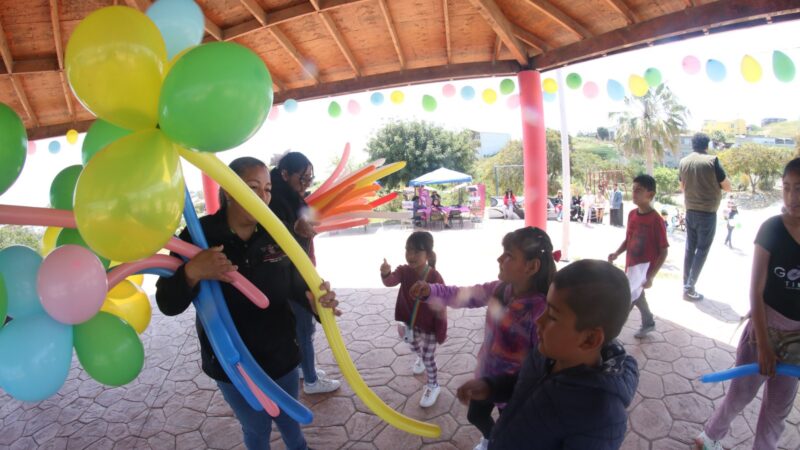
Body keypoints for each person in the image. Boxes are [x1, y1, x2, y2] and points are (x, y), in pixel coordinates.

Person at [155, 157, 341, 450]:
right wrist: (192, 272)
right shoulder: (199, 235)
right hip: (232, 363)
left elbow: (295, 284)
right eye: (252, 187)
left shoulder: (276, 231)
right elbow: (167, 302)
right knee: (256, 428)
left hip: (281, 353)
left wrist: (316, 303)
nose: (263, 197)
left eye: (267, 189)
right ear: (229, 190)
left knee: (291, 421)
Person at [456, 259, 638, 449]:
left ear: (590, 339)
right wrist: (490, 388)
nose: (538, 321)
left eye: (552, 316)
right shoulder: (545, 354)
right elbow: (523, 383)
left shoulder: (600, 416)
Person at [410, 227, 557, 450]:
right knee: (476, 416)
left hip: (514, 391)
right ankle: (490, 438)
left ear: (532, 266)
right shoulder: (499, 290)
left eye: (509, 255)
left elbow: (540, 367)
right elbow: (461, 294)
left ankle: (497, 441)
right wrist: (430, 290)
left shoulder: (540, 313)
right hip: (485, 376)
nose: (499, 259)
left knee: (510, 431)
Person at [694, 158, 800, 450]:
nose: (792, 197)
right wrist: (764, 345)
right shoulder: (772, 229)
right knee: (740, 393)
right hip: (763, 329)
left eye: (799, 189)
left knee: (779, 408)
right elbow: (755, 288)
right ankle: (712, 436)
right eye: (787, 188)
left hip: (796, 341)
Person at [269, 152, 341, 394]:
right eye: (302, 178)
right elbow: (270, 237)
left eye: (310, 178)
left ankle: (304, 368)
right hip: (291, 278)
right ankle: (310, 380)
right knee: (304, 326)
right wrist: (294, 229)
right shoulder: (276, 199)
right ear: (284, 174)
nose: (307, 183)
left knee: (303, 326)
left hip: (297, 272)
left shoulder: (289, 197)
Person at [380, 231, 446, 407]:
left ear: (428, 255)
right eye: (408, 250)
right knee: (414, 345)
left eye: (417, 251)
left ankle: (433, 385)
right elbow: (390, 282)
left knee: (428, 357)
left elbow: (441, 304)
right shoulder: (403, 271)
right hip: (410, 323)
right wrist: (386, 273)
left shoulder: (434, 276)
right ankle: (420, 357)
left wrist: (441, 328)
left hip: (429, 325)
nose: (411, 255)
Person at [608, 175, 669, 338]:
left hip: (642, 269)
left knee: (626, 300)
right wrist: (617, 253)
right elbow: (629, 239)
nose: (634, 193)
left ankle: (610, 335)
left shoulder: (656, 220)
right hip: (631, 265)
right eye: (633, 189)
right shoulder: (632, 214)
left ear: (650, 194)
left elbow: (664, 251)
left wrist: (651, 277)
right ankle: (648, 322)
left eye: (639, 190)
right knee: (638, 295)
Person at [679, 132, 732, 301]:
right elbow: (727, 186)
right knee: (701, 250)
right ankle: (689, 288)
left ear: (692, 145)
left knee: (690, 248)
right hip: (707, 213)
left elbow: (682, 186)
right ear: (706, 145)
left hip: (690, 210)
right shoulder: (712, 161)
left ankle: (685, 284)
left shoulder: (683, 162)